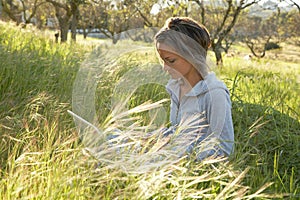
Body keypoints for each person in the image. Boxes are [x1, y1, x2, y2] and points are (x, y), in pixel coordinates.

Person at [154, 17, 234, 161]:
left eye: (171, 61)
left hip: (185, 166)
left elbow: (224, 150)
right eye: (163, 60)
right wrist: (158, 137)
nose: (165, 68)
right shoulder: (176, 87)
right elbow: (180, 132)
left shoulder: (215, 94)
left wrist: (182, 155)